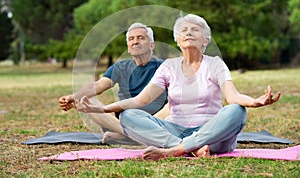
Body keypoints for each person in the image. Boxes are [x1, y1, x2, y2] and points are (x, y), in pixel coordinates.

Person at [76, 14, 281, 160]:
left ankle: (175, 151)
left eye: (195, 30)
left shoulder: (215, 63)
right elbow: (141, 100)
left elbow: (233, 96)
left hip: (212, 135)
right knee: (129, 115)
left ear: (206, 39)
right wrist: (102, 109)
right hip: (174, 131)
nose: (189, 32)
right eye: (184, 30)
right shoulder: (169, 66)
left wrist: (255, 102)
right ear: (177, 39)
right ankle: (188, 148)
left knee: (236, 111)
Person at [59, 22, 169, 143]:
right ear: (128, 46)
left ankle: (130, 137)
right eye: (131, 39)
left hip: (156, 119)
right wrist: (73, 97)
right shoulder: (119, 67)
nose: (135, 42)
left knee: (173, 105)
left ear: (151, 45)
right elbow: (99, 86)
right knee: (84, 99)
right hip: (123, 121)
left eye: (141, 38)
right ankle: (135, 136)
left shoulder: (165, 67)